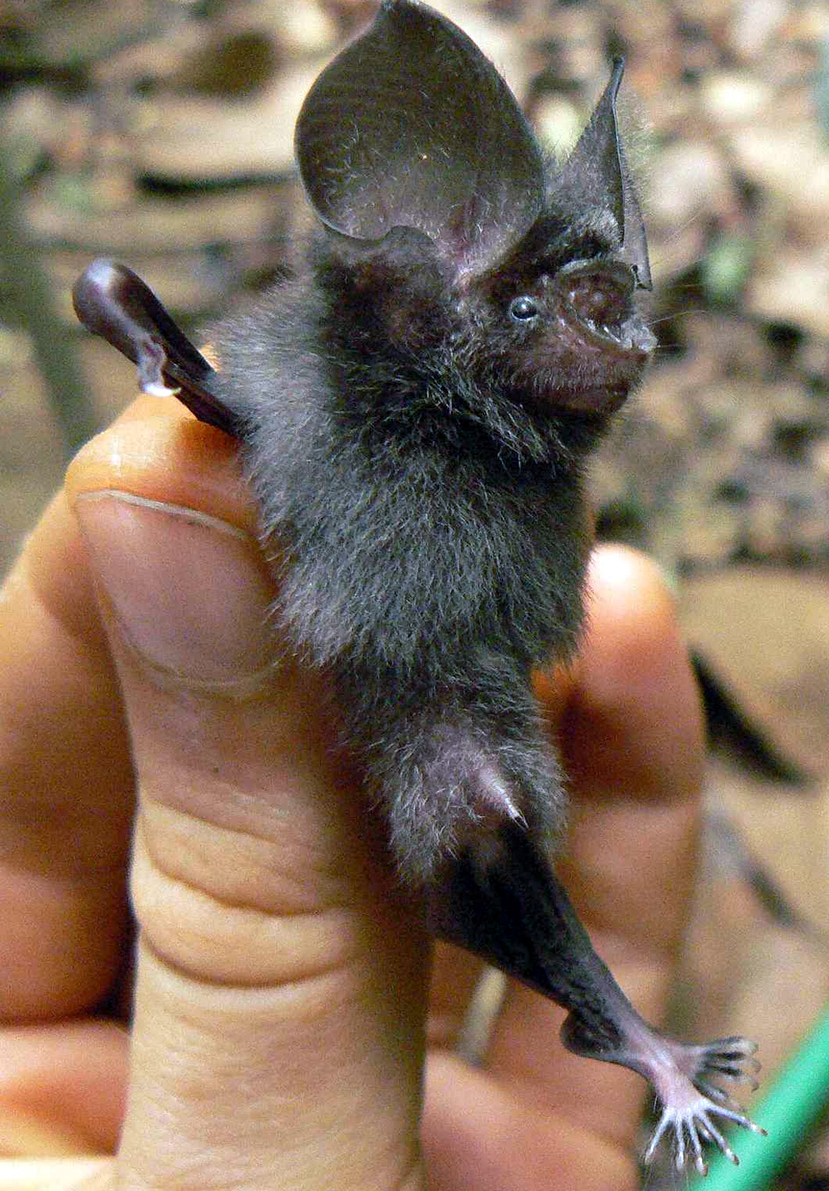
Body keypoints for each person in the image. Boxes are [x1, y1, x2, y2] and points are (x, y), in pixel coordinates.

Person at [0, 397, 707, 1190]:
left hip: (451, 728)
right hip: (405, 695)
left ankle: (643, 1047)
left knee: (484, 821)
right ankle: (644, 1048)